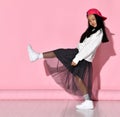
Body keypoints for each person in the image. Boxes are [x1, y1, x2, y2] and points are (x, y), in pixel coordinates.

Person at [27, 8, 109, 109]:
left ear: (99, 19)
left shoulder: (98, 34)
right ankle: (37, 56)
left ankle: (88, 101)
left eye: (93, 19)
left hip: (82, 57)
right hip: (78, 54)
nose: (91, 22)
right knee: (72, 70)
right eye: (89, 20)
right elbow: (83, 45)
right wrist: (77, 53)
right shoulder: (92, 31)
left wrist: (76, 59)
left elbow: (89, 49)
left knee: (76, 76)